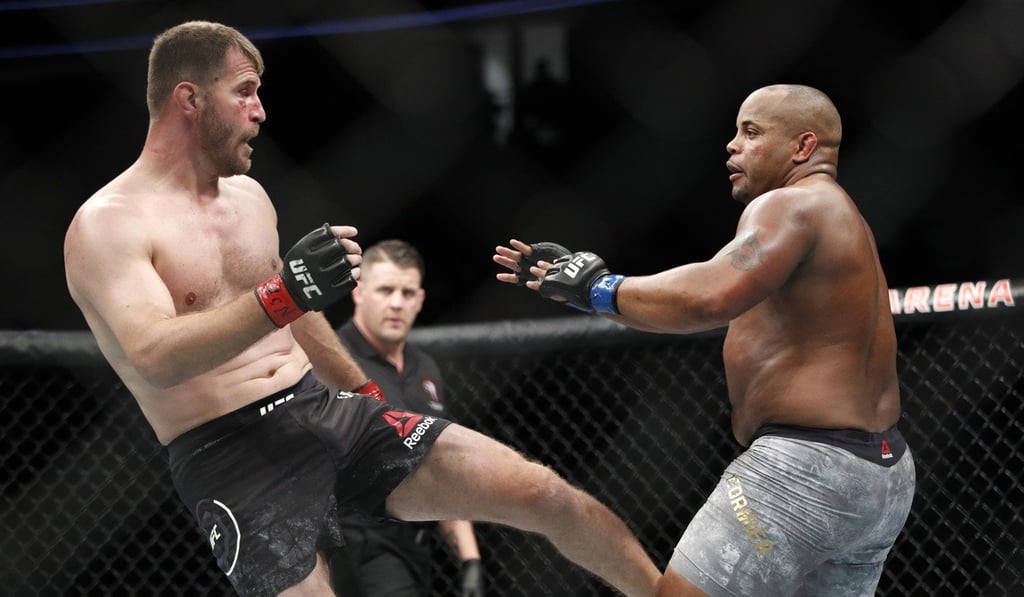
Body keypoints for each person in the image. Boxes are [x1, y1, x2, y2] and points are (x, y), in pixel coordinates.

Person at [63, 20, 660, 597]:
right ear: (188, 99)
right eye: (244, 91)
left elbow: (296, 314)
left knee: (542, 492)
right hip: (226, 451)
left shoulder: (248, 197)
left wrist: (365, 395)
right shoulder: (108, 224)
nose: (260, 111)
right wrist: (281, 296)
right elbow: (154, 356)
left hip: (320, 408)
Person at [494, 84, 916, 597]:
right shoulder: (839, 214)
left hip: (807, 470)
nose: (732, 145)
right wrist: (591, 296)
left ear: (803, 147)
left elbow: (708, 296)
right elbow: (692, 306)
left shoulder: (792, 206)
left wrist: (601, 287)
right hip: (881, 471)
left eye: (752, 132)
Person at [332, 239, 483, 596]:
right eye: (385, 290)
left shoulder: (425, 369)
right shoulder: (334, 360)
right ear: (359, 293)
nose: (396, 303)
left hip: (414, 543)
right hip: (352, 540)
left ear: (420, 300)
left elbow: (440, 464)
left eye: (406, 292)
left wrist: (470, 558)